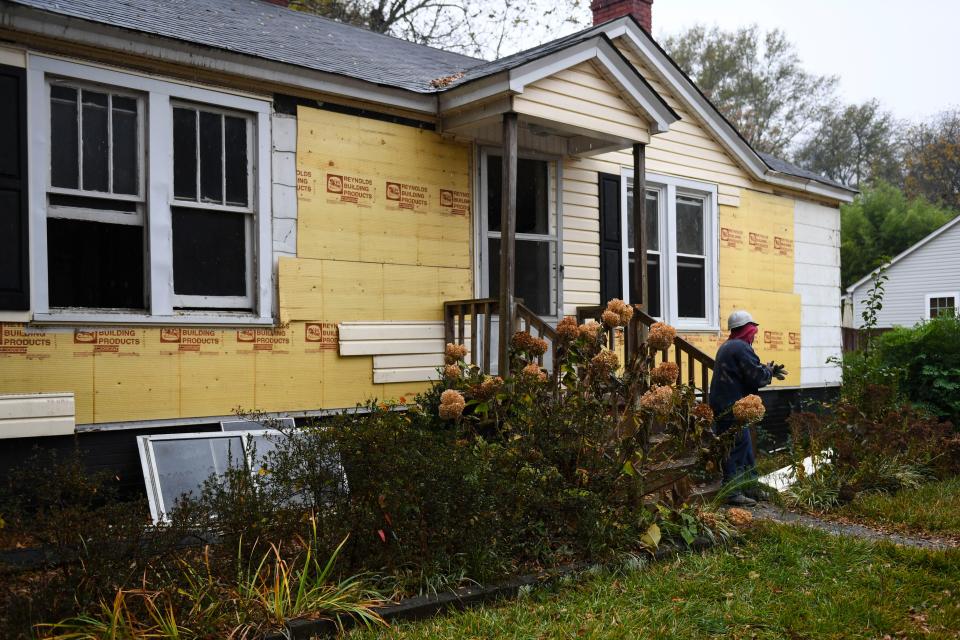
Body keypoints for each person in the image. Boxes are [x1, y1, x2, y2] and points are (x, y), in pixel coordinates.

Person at [709, 310, 787, 506]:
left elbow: (746, 370)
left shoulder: (728, 346)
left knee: (745, 448)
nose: (754, 335)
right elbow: (755, 376)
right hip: (731, 406)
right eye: (753, 331)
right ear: (746, 329)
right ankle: (732, 492)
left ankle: (751, 486)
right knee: (735, 447)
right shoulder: (741, 347)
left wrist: (765, 369)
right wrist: (767, 373)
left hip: (723, 404)